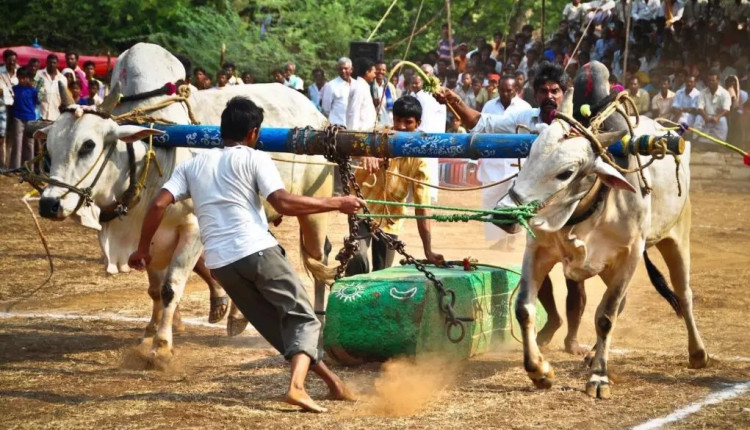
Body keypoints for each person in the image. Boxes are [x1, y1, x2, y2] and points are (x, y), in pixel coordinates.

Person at [128, 96, 360, 413]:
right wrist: (338, 203)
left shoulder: (192, 165)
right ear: (253, 133)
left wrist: (142, 248)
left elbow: (157, 204)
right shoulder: (255, 159)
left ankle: (332, 383)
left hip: (221, 265)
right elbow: (284, 204)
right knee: (304, 319)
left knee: (280, 330)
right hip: (257, 252)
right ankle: (297, 387)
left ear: (222, 130)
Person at [434, 61, 587, 354]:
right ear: (535, 94)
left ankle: (573, 337)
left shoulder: (578, 123)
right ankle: (552, 319)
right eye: (543, 91)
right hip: (535, 209)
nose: (549, 96)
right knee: (536, 267)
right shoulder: (524, 118)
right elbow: (481, 123)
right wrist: (454, 101)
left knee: (573, 274)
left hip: (569, 208)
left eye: (555, 90)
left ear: (564, 93)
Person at [346, 95, 444, 276]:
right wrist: (365, 154)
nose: (401, 127)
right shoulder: (376, 136)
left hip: (391, 221)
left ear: (418, 124)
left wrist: (428, 250)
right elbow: (349, 145)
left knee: (381, 273)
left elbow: (422, 208)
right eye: (398, 120)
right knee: (357, 256)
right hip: (362, 211)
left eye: (408, 122)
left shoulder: (419, 161)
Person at [478, 75, 531, 248]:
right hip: (492, 161)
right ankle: (499, 239)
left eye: (509, 90)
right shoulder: (489, 106)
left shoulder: (525, 108)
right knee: (491, 200)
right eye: (502, 90)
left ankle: (512, 238)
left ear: (516, 90)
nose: (505, 94)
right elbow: (482, 128)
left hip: (515, 164)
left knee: (514, 201)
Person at [8, 66, 38, 169]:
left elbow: (35, 102)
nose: (22, 80)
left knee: (30, 144)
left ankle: (30, 169)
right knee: (17, 144)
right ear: (17, 77)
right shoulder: (14, 89)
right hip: (18, 118)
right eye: (20, 78)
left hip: (30, 118)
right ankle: (15, 168)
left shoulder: (33, 90)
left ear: (28, 78)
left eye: (24, 78)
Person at [694, 72, 731, 142]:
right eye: (709, 80)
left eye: (713, 80)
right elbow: (700, 107)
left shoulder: (725, 93)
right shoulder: (703, 92)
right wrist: (705, 117)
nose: (710, 82)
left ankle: (720, 143)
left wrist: (717, 117)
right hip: (705, 115)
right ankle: (696, 140)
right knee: (698, 119)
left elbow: (726, 109)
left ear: (718, 81)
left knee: (723, 121)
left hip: (719, 116)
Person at [345, 57, 377, 131]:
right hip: (360, 133)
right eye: (374, 73)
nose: (375, 76)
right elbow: (354, 111)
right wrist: (353, 134)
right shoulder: (359, 87)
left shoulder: (364, 86)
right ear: (367, 72)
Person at [0, 49, 19, 168]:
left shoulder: (20, 72)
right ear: (4, 60)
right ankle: (1, 163)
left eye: (14, 61)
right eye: (10, 60)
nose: (12, 63)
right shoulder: (0, 72)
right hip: (2, 108)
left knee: (13, 136)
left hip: (16, 108)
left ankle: (10, 164)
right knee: (1, 136)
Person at [35, 54, 67, 121]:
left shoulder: (63, 79)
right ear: (46, 63)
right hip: (40, 115)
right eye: (50, 62)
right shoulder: (38, 74)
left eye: (54, 63)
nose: (52, 64)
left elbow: (64, 98)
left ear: (58, 64)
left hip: (56, 117)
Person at [321, 57, 352, 127]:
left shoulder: (356, 85)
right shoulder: (331, 85)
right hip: (337, 127)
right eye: (341, 69)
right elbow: (326, 109)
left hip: (353, 127)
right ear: (337, 70)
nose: (343, 71)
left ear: (351, 69)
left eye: (346, 68)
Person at [372, 61, 396, 126]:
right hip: (374, 123)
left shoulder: (390, 86)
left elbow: (395, 104)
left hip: (389, 122)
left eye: (383, 70)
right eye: (378, 69)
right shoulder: (370, 86)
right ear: (374, 70)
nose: (381, 72)